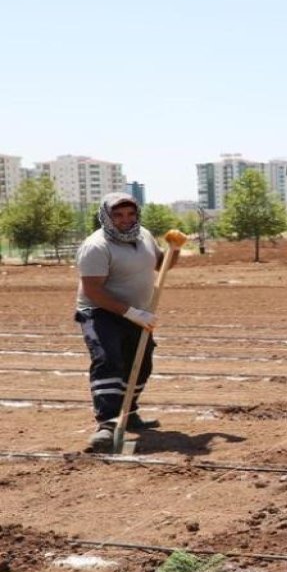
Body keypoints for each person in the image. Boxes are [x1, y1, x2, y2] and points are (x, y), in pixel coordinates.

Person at [76, 193, 183, 452]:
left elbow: (162, 265)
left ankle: (129, 413)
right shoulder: (96, 246)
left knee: (142, 363)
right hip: (100, 311)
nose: (126, 219)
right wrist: (131, 313)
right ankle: (107, 425)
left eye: (130, 214)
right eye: (118, 215)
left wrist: (175, 249)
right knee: (108, 360)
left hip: (137, 312)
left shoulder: (143, 235)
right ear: (106, 217)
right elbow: (93, 291)